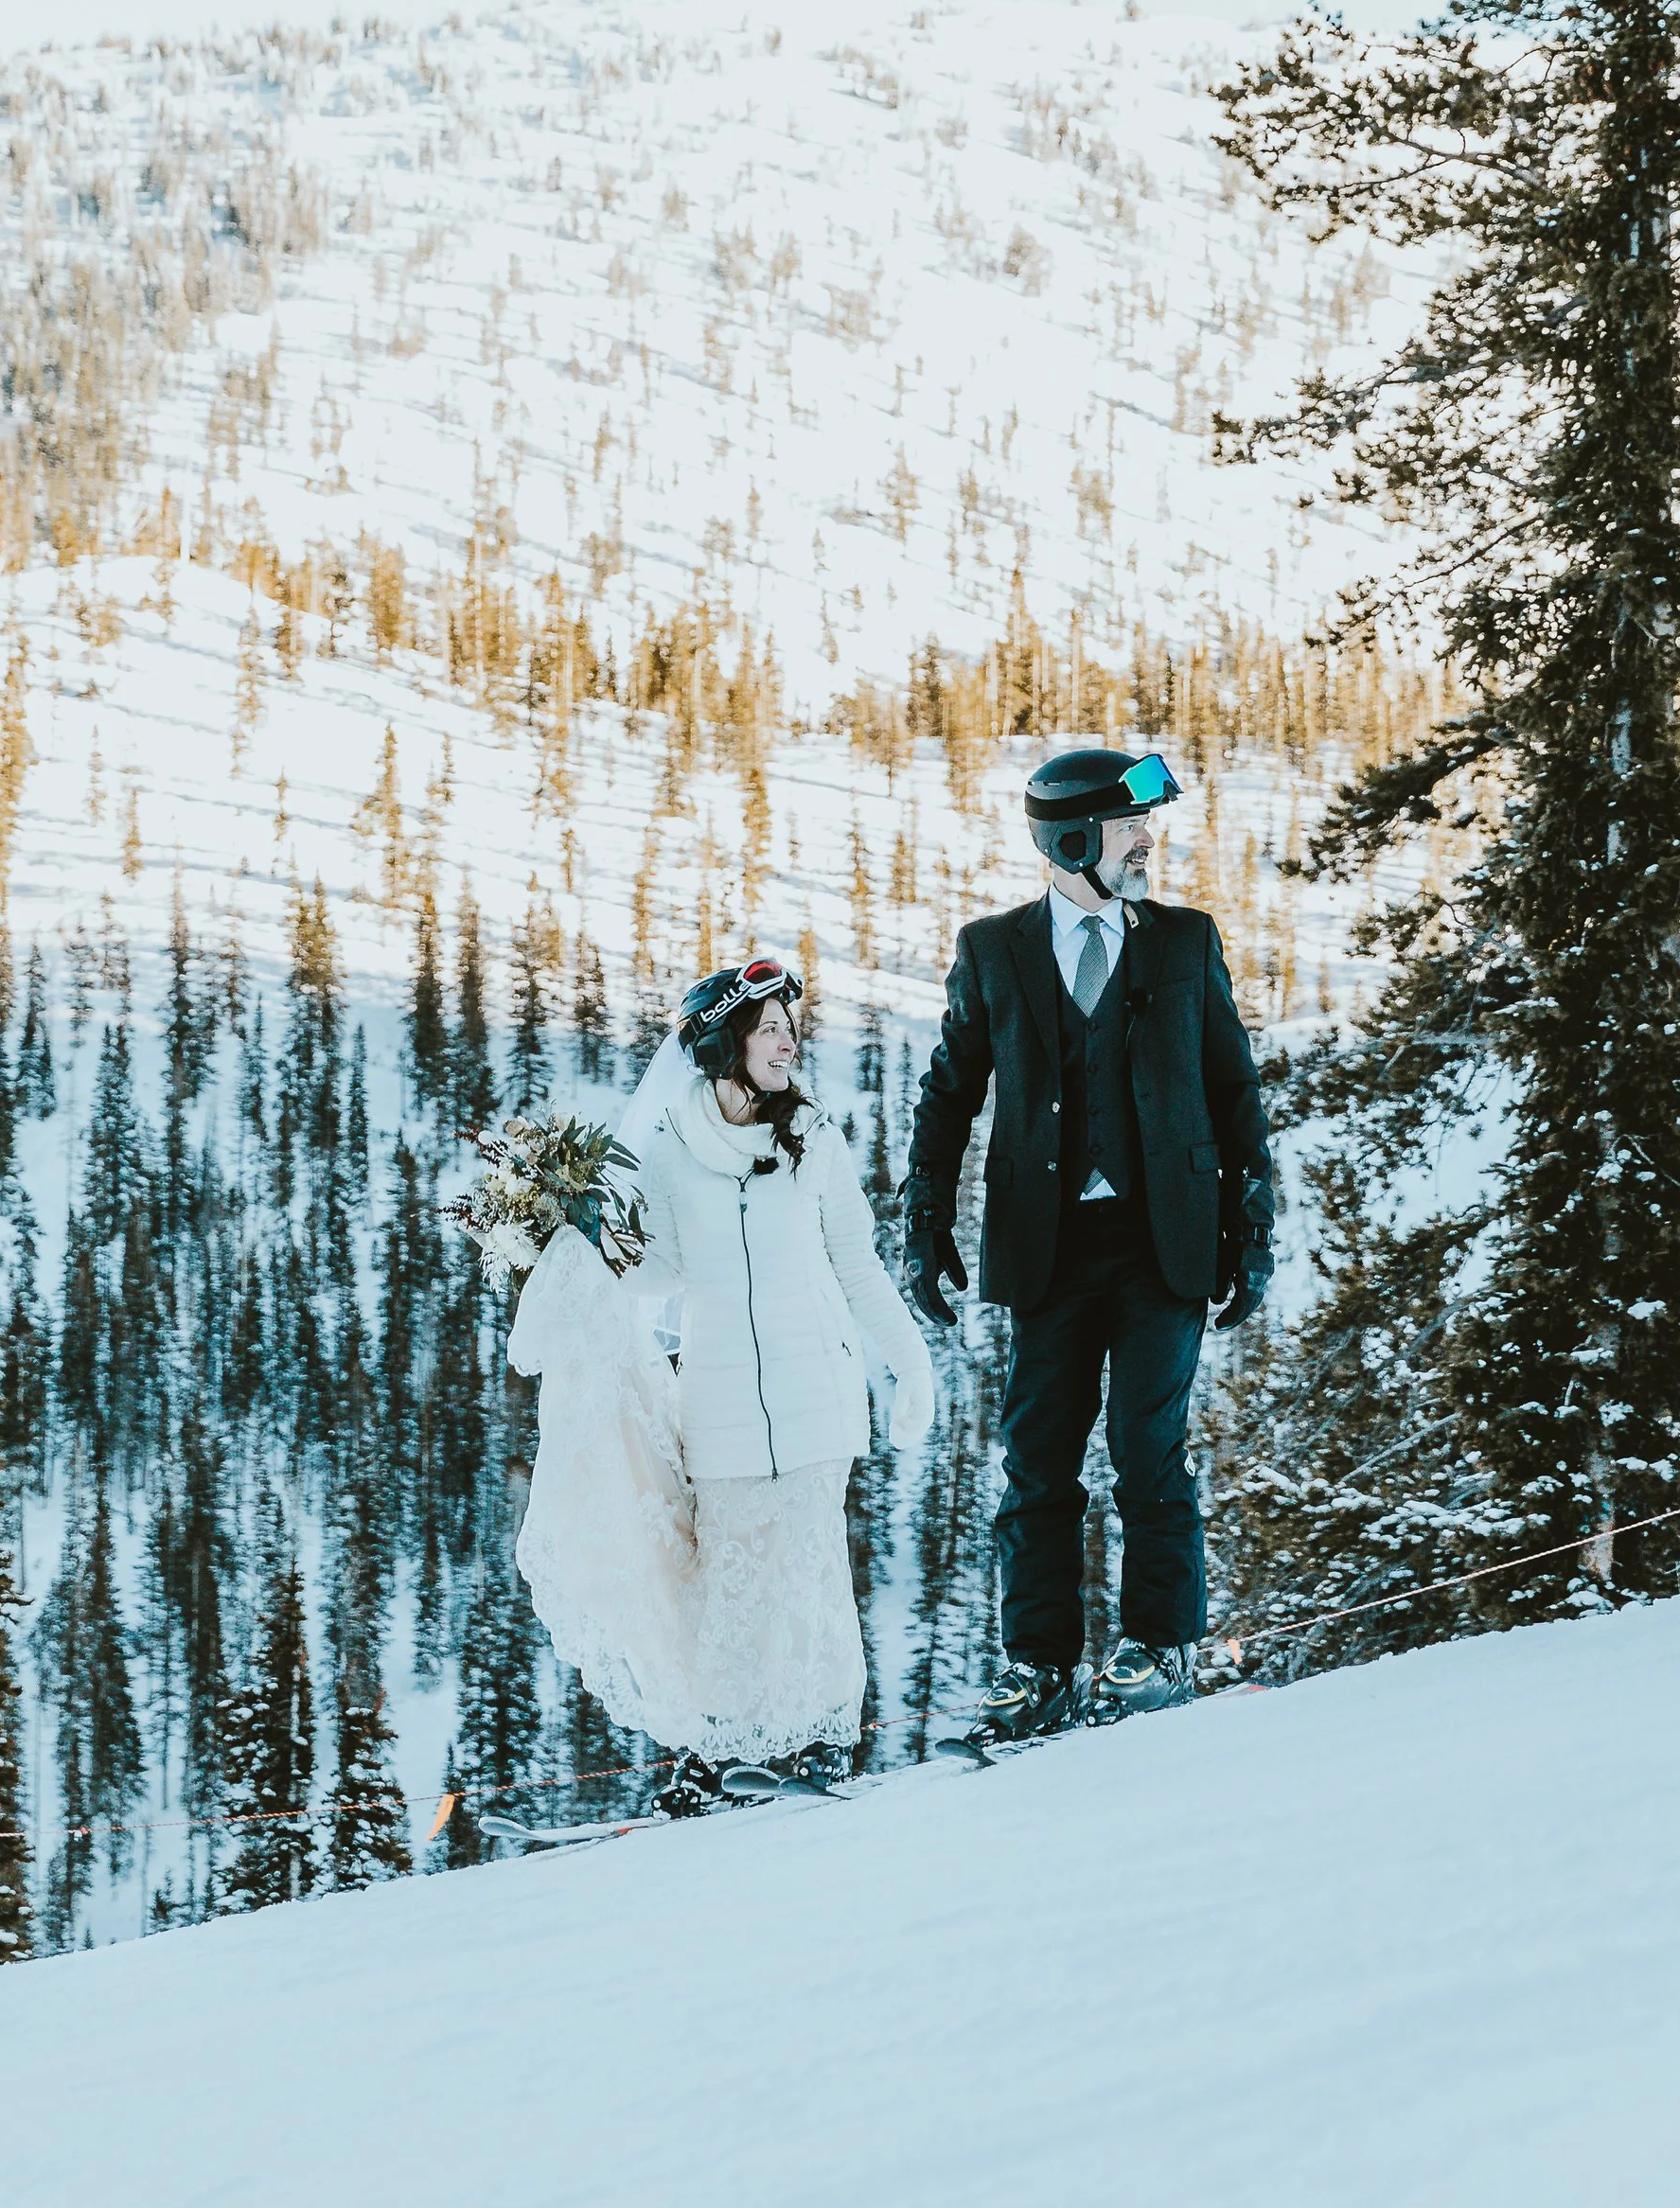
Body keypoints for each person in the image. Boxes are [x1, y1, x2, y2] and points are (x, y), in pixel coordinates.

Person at [901, 748, 1275, 1743]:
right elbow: (949, 1094)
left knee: (1146, 1449)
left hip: (1165, 1244)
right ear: (1072, 842)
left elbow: (1233, 1090)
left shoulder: (1185, 943)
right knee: (1038, 1461)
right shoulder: (994, 951)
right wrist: (924, 1216)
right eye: (1127, 830)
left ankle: (1159, 1646)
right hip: (1048, 1249)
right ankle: (1039, 1669)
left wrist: (1254, 1227)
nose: (1146, 843)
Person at [507, 955, 933, 1811]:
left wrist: (910, 1360)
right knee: (729, 1585)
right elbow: (659, 1273)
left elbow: (857, 1265)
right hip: (721, 1403)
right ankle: (718, 1748)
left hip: (816, 1395)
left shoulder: (815, 1139)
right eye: (768, 1029)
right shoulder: (668, 1146)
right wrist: (584, 1243)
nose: (788, 1043)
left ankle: (821, 1741)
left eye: (789, 1027)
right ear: (724, 1046)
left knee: (812, 1574)